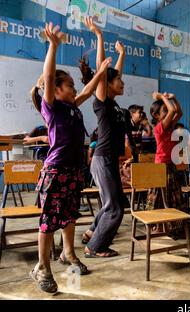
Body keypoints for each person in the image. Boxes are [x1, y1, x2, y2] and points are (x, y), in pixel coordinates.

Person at [30, 19, 111, 293]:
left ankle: (68, 253)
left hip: (74, 171)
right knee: (49, 220)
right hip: (56, 171)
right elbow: (50, 77)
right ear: (57, 90)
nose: (75, 89)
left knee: (69, 216)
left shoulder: (72, 107)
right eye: (70, 86)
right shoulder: (51, 107)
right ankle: (42, 266)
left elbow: (88, 91)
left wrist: (100, 73)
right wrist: (53, 46)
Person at [82, 19, 131, 258]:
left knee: (115, 201)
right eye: (118, 80)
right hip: (102, 159)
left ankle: (92, 232)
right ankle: (95, 247)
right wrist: (99, 36)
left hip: (109, 160)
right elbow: (104, 73)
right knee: (115, 209)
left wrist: (121, 54)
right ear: (108, 85)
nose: (122, 81)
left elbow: (113, 73)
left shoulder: (112, 103)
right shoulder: (101, 102)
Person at [148, 92, 184, 210]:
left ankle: (173, 223)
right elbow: (173, 111)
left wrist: (174, 98)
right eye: (165, 110)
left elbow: (179, 112)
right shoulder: (159, 128)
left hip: (170, 164)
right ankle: (156, 224)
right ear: (156, 115)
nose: (168, 112)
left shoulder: (170, 126)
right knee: (160, 194)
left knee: (172, 194)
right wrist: (162, 97)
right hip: (161, 165)